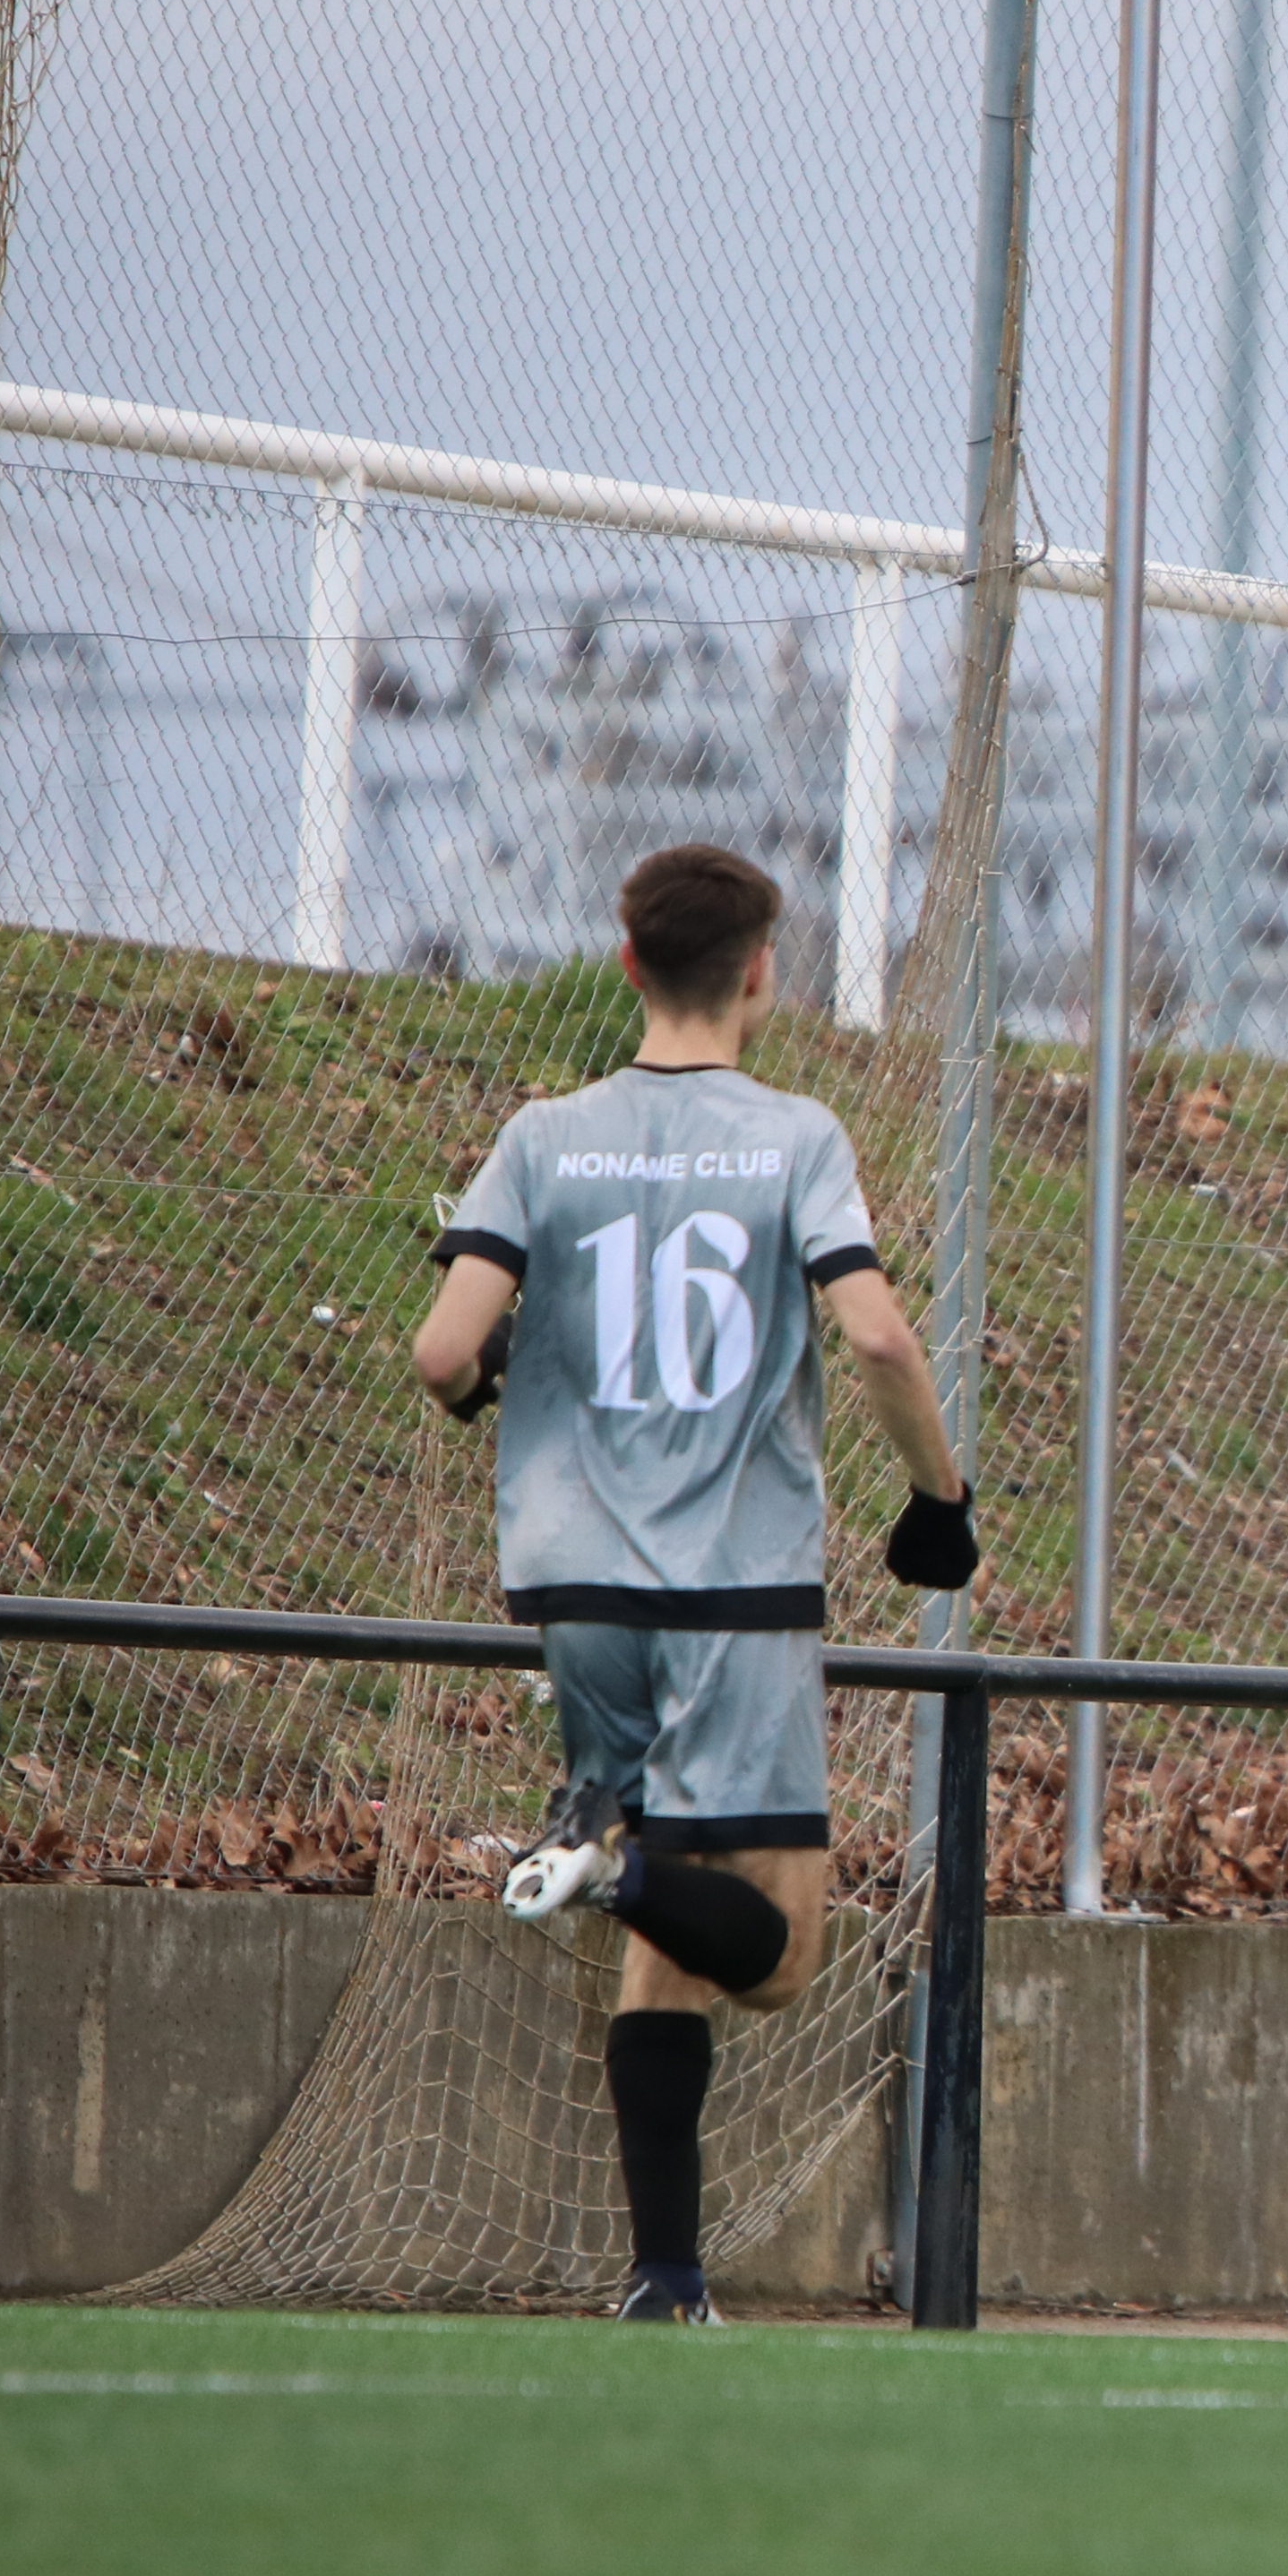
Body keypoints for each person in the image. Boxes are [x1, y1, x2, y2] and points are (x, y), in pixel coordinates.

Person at [406, 845, 981, 2325]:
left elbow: (440, 1350)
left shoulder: (546, 1135)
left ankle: (667, 2280)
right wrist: (939, 1504)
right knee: (780, 1952)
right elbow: (878, 1341)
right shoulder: (793, 1137)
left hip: (576, 1590)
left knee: (664, 1951)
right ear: (762, 974)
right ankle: (613, 1865)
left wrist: (494, 1387)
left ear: (625, 964)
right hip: (734, 1592)